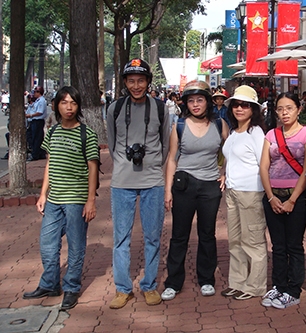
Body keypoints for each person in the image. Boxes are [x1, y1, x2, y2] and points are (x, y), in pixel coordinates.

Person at [22, 86, 99, 311]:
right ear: (56, 105)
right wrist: (43, 194)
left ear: (78, 106)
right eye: (64, 102)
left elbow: (93, 169)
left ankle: (72, 287)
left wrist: (90, 201)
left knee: (76, 246)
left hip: (76, 199)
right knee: (47, 243)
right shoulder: (53, 133)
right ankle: (50, 284)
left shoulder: (87, 134)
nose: (69, 107)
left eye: (73, 103)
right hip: (54, 199)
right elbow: (50, 164)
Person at [106, 58, 170, 309]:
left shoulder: (161, 108)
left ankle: (149, 285)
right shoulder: (115, 108)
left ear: (148, 82)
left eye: (141, 80)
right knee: (121, 237)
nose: (136, 86)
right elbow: (112, 144)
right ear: (124, 83)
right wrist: (123, 163)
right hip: (122, 181)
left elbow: (165, 144)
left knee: (153, 236)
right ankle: (123, 289)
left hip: (152, 180)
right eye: (131, 81)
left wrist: (154, 165)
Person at [161, 80, 229, 301]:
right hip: (184, 184)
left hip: (210, 185)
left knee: (207, 234)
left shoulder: (220, 124)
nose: (196, 105)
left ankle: (207, 278)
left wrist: (224, 172)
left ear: (208, 102)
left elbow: (230, 151)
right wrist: (168, 190)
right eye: (191, 101)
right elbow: (172, 159)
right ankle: (173, 281)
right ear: (185, 104)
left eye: (200, 100)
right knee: (179, 235)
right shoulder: (179, 126)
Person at [260, 92, 306, 309]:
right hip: (273, 197)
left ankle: (293, 289)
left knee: (294, 245)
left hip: (297, 198)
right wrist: (270, 196)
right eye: (280, 109)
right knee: (278, 246)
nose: (284, 113)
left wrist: (293, 199)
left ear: (299, 109)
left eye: (289, 108)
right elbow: (263, 166)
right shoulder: (271, 134)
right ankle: (279, 285)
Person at [221, 85, 267, 300]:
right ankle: (238, 282)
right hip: (232, 191)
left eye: (245, 105)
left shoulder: (256, 133)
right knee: (235, 241)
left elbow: (264, 164)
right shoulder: (233, 132)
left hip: (251, 193)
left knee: (253, 241)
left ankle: (255, 285)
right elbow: (232, 159)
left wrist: (269, 193)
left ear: (253, 109)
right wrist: (224, 175)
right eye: (236, 105)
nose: (239, 109)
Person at [26, 86, 47, 161]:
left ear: (39, 92)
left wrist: (30, 115)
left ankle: (35, 155)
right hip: (33, 121)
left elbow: (40, 112)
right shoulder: (37, 101)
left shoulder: (41, 101)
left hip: (38, 121)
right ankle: (41, 153)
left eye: (35, 92)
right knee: (33, 137)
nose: (34, 94)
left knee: (36, 138)